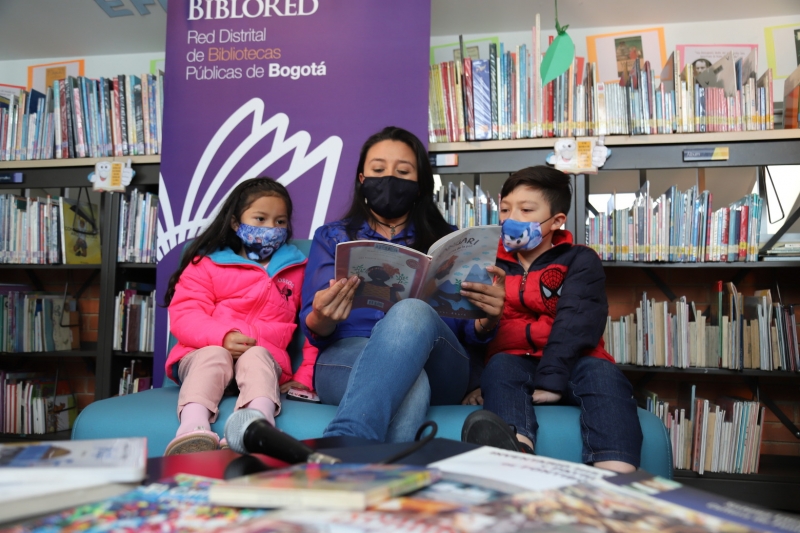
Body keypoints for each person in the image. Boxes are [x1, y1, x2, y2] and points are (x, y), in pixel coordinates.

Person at [300, 126, 506, 443]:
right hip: (347, 354)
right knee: (412, 383)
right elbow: (312, 325)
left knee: (411, 310)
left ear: (421, 183)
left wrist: (486, 319)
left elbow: (468, 329)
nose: (390, 179)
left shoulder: (452, 241)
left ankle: (345, 441)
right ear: (361, 179)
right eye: (379, 169)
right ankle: (383, 475)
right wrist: (323, 315)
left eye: (403, 171)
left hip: (441, 361)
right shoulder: (331, 237)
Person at [461, 166, 642, 474]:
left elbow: (577, 320)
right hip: (513, 359)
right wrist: (477, 382)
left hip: (576, 360)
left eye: (526, 209)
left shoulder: (580, 259)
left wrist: (552, 380)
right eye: (505, 209)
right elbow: (473, 325)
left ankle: (617, 474)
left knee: (604, 376)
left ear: (556, 221)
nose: (510, 218)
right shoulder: (487, 262)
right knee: (500, 368)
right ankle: (515, 454)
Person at [162, 177, 317, 455]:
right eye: (260, 219)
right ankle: (192, 428)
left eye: (280, 222)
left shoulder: (298, 269)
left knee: (256, 355)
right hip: (203, 355)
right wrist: (221, 338)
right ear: (236, 222)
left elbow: (313, 328)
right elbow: (186, 315)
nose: (271, 228)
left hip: (264, 361)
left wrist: (305, 378)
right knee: (214, 355)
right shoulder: (207, 263)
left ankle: (257, 427)